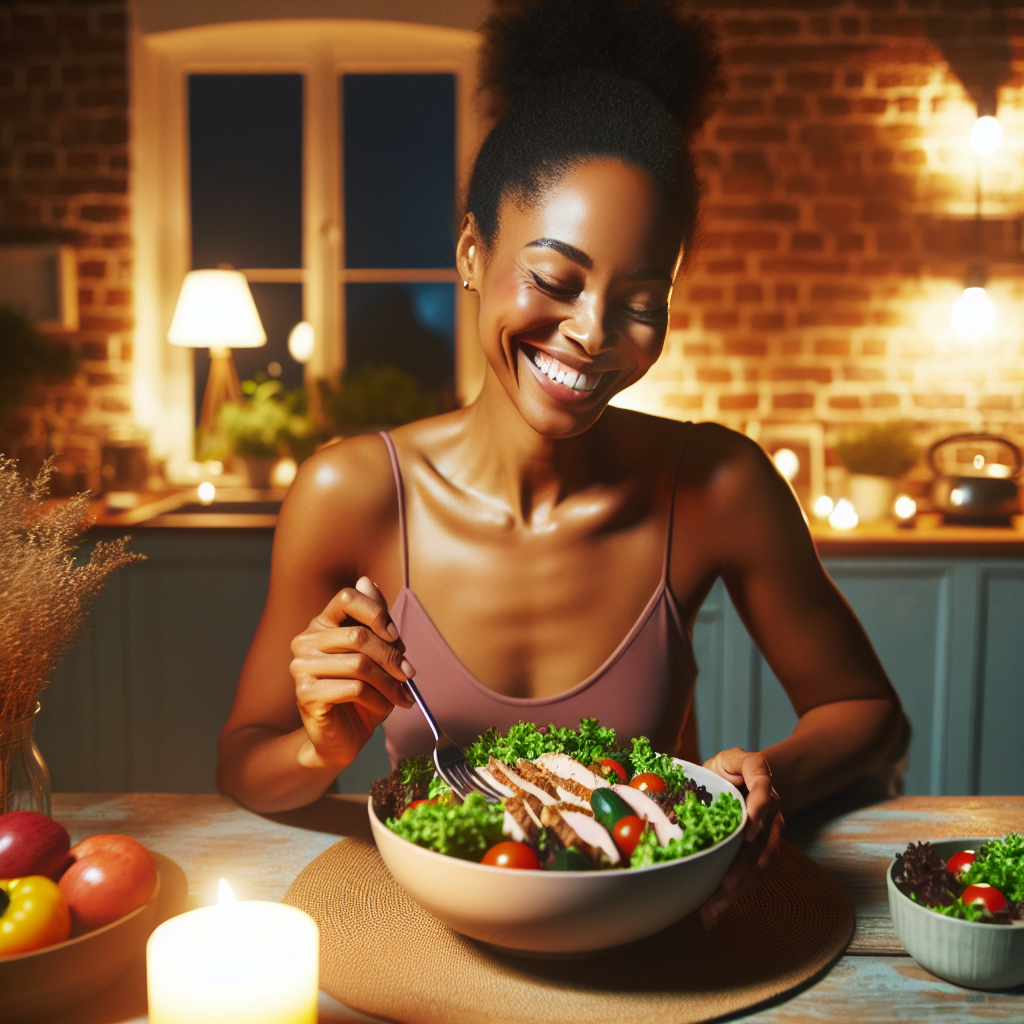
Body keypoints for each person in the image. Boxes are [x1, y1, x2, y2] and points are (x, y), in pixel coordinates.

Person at [217, 0, 908, 929]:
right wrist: (316, 747)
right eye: (553, 279)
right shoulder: (352, 493)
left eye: (640, 299)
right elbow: (244, 762)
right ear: (472, 252)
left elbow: (869, 714)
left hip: (653, 933)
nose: (590, 335)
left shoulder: (718, 485)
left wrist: (766, 775)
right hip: (429, 932)